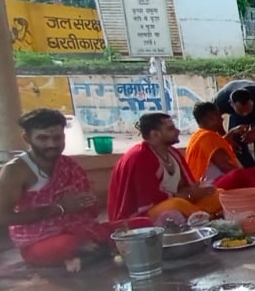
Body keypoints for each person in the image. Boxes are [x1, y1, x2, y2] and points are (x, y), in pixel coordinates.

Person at [0, 109, 152, 272]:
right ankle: (97, 251)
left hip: (82, 230)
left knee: (144, 225)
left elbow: (91, 213)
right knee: (70, 244)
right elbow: (3, 217)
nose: (51, 144)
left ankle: (90, 254)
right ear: (27, 138)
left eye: (57, 138)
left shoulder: (69, 165)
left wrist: (88, 201)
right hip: (40, 242)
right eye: (43, 138)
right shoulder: (15, 170)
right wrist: (59, 208)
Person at [108, 113, 222, 222]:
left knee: (219, 194)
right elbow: (149, 200)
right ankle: (205, 219)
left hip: (178, 202)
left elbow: (187, 187)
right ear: (155, 134)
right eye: (171, 129)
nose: (178, 131)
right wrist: (189, 195)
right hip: (144, 214)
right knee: (176, 205)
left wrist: (195, 191)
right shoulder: (139, 157)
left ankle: (200, 217)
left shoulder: (173, 153)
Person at [185, 102, 255, 192]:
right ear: (212, 117)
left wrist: (232, 132)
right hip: (211, 186)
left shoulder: (200, 136)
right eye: (219, 115)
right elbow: (225, 167)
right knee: (238, 175)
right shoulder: (207, 137)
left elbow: (219, 144)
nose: (222, 119)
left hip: (220, 180)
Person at [213, 80, 255, 168]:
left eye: (248, 110)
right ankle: (250, 170)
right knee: (237, 143)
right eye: (242, 111)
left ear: (253, 101)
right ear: (231, 104)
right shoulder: (220, 102)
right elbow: (215, 122)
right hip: (236, 116)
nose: (245, 114)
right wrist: (227, 138)